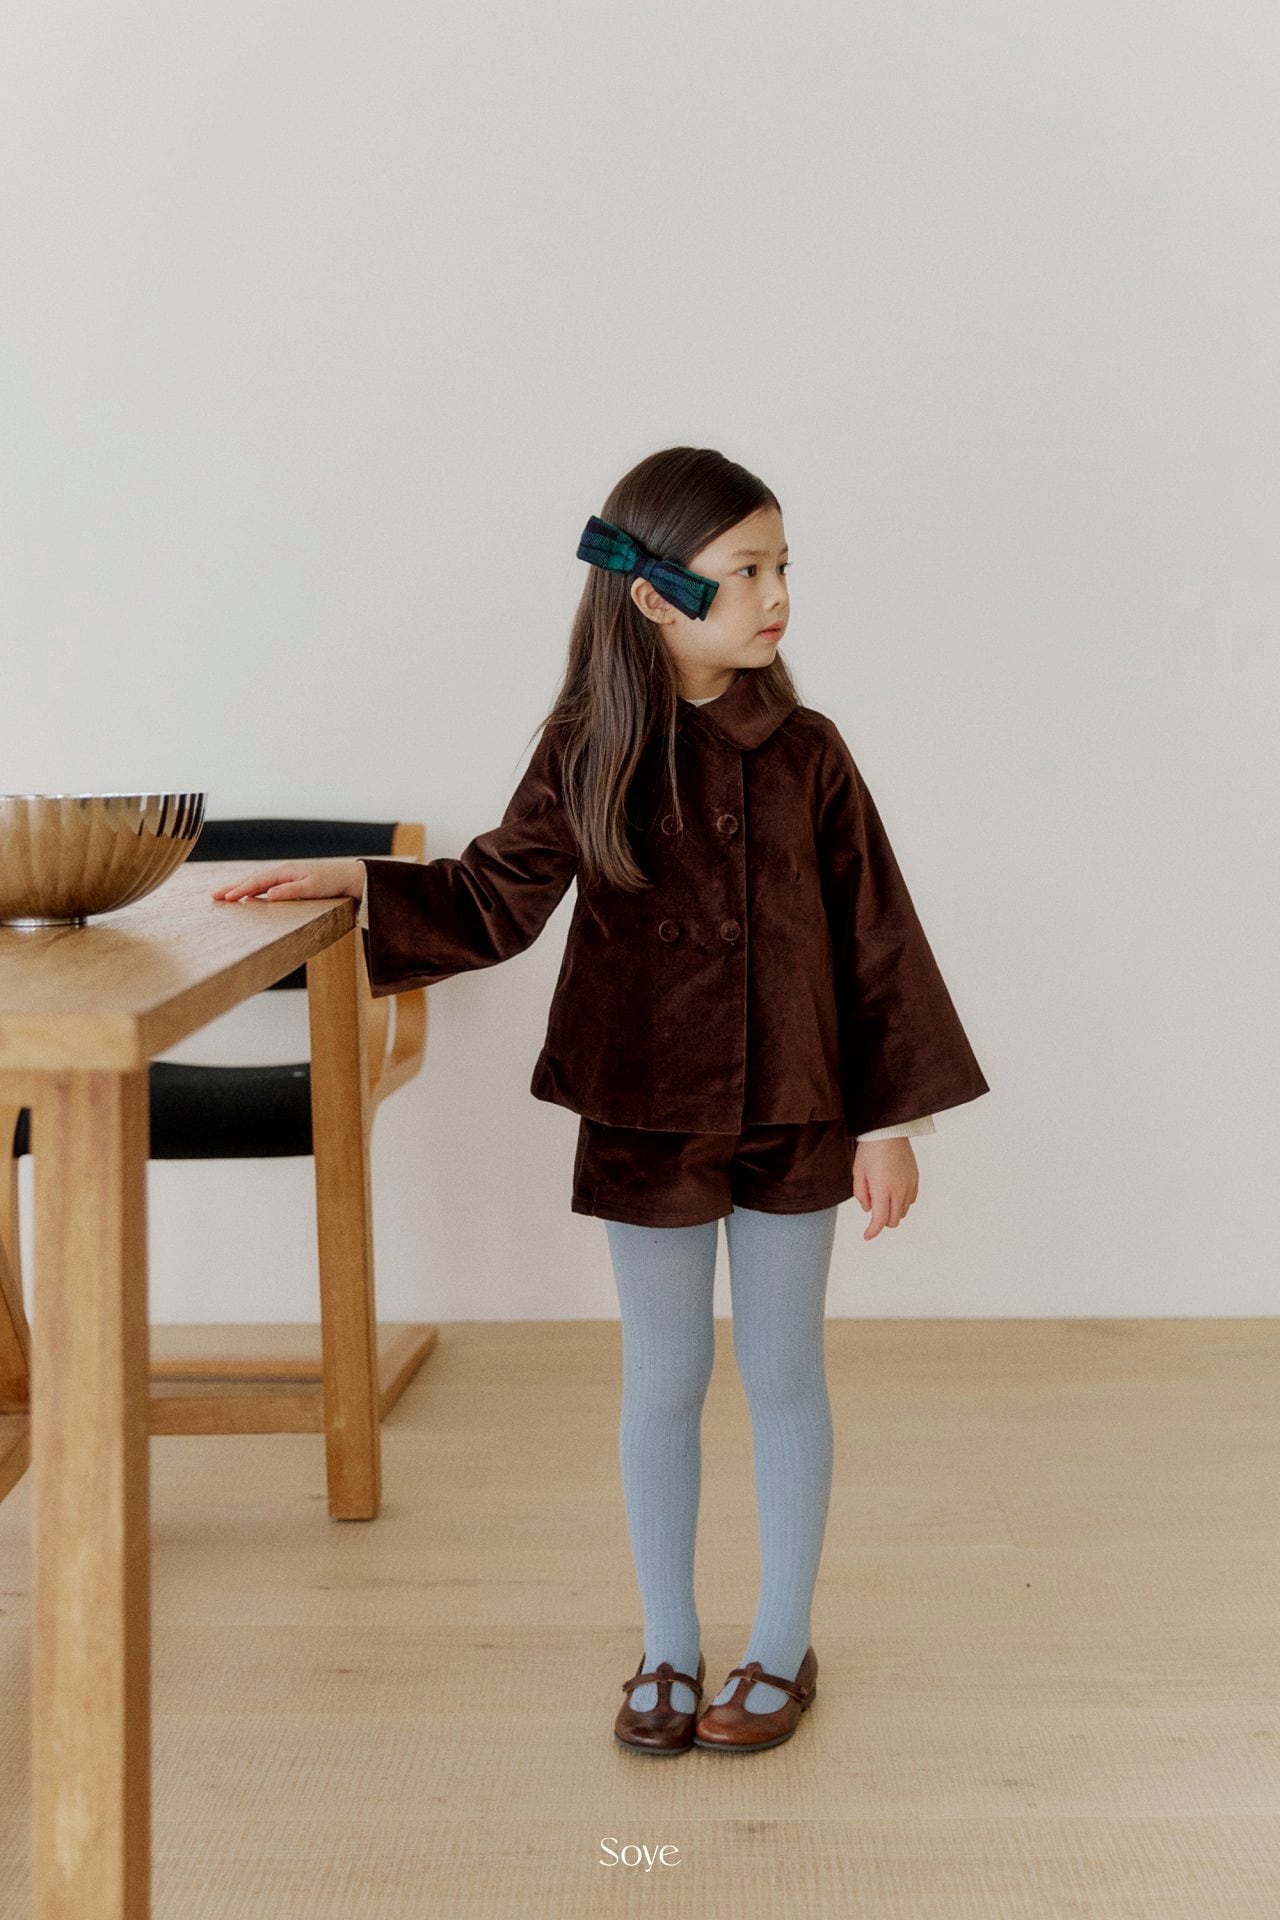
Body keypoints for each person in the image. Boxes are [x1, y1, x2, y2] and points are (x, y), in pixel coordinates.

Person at [211, 443, 990, 1756]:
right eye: (745, 570)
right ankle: (669, 1645)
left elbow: (878, 938)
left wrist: (890, 1123)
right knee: (665, 1374)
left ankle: (780, 1645)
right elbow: (494, 895)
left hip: (800, 1103)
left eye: (783, 567)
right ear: (651, 592)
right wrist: (362, 880)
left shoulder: (810, 753)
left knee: (784, 1370)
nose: (776, 595)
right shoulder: (591, 743)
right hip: (643, 1107)